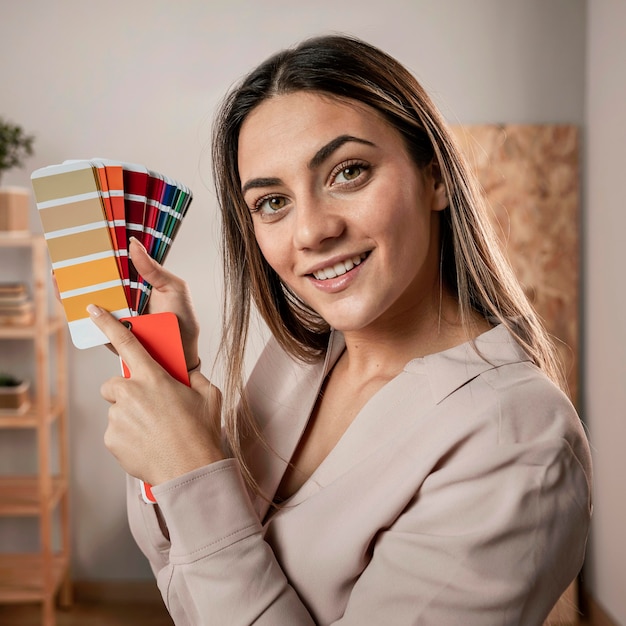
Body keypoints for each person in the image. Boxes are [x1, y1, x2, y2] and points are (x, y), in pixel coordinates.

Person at [86, 34, 592, 625]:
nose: (311, 231)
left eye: (348, 172)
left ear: (435, 177)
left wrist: (189, 470)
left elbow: (203, 532)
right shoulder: (299, 361)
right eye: (272, 202)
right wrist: (171, 376)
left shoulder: (516, 440)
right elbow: (186, 574)